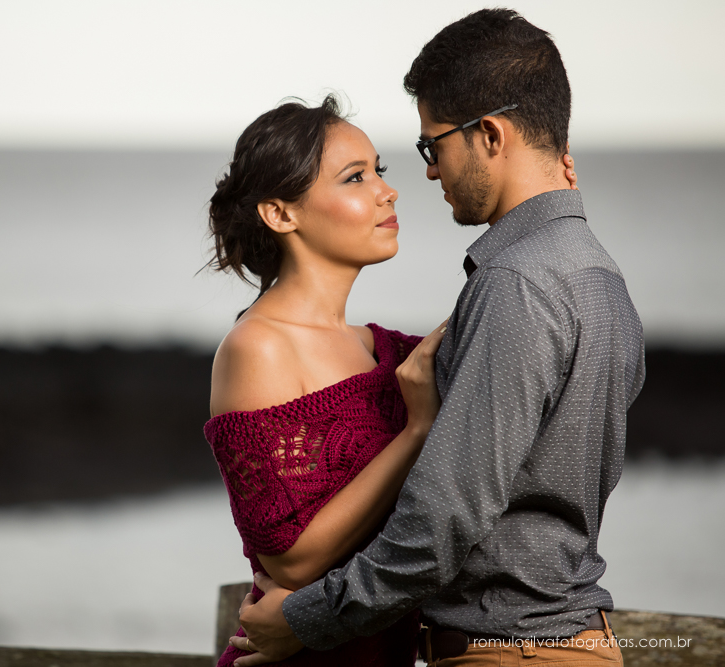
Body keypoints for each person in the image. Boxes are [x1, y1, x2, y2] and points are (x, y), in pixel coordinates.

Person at [231, 9, 645, 667]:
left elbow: (441, 525)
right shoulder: (598, 275)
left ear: (488, 135)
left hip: (510, 651)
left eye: (433, 146)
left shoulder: (514, 282)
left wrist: (303, 622)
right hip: (571, 638)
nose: (423, 176)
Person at [204, 94, 579, 665]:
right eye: (355, 178)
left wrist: (555, 207)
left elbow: (509, 322)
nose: (388, 189)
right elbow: (291, 559)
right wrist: (416, 431)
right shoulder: (258, 346)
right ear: (281, 214)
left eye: (379, 169)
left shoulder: (392, 351)